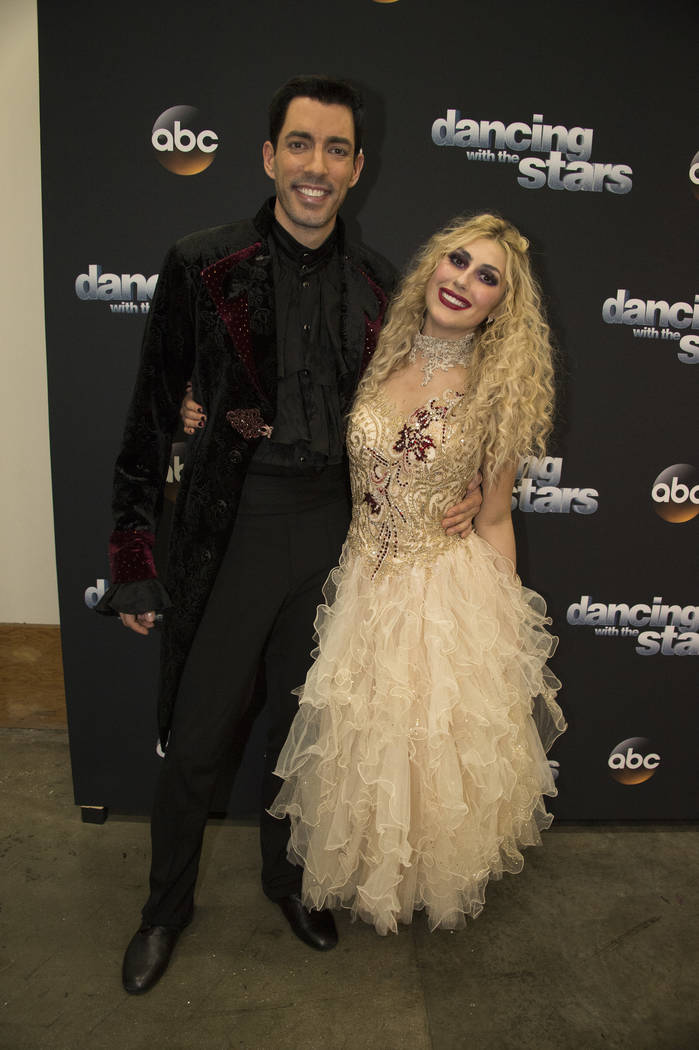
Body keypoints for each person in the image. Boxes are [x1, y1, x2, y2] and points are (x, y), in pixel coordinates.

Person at [97, 75, 482, 994]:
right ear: (271, 157)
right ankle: (164, 910)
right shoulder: (201, 264)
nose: (316, 165)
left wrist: (465, 488)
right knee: (197, 737)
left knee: (305, 730)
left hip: (338, 541)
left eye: (335, 149)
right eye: (300, 145)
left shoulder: (383, 284)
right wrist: (133, 559)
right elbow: (148, 419)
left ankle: (290, 883)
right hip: (229, 532)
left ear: (356, 167)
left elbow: (424, 405)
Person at [269, 213, 567, 935]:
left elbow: (494, 517)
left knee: (426, 759)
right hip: (358, 583)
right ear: (433, 265)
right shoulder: (376, 351)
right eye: (457, 261)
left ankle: (413, 882)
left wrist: (504, 637)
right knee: (361, 749)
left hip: (438, 593)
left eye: (486, 277)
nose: (463, 281)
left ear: (500, 304)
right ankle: (360, 875)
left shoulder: (497, 391)